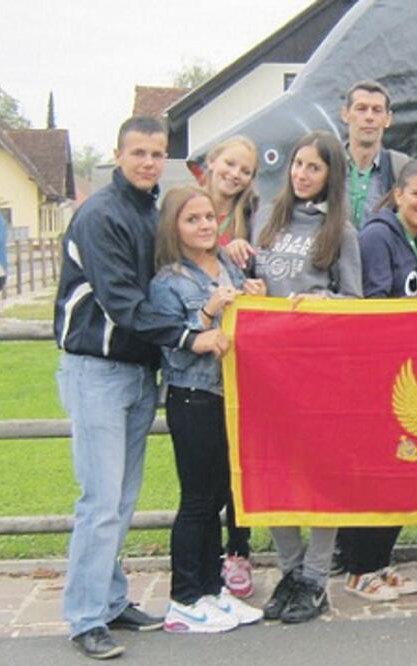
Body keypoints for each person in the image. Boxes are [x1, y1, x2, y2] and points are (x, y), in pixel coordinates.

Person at [53, 116, 227, 659]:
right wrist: (188, 336)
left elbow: (181, 263)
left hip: (136, 370)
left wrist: (234, 255)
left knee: (122, 499)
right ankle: (85, 618)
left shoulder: (150, 212)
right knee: (100, 500)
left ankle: (109, 600)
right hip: (96, 370)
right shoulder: (100, 215)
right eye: (138, 153)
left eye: (156, 153)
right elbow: (122, 302)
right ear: (118, 155)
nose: (148, 162)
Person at [245, 129, 361, 624]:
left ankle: (315, 577)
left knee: (318, 475)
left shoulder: (342, 233)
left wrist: (324, 301)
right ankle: (289, 571)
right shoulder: (265, 220)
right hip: (266, 369)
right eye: (297, 164)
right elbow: (253, 280)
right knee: (272, 471)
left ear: (331, 175)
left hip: (317, 369)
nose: (302, 174)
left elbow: (356, 302)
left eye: (314, 167)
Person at [148, 186, 266, 632]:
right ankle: (183, 598)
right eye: (191, 219)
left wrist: (254, 296)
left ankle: (212, 591)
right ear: (174, 227)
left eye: (208, 217)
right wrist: (206, 312)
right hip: (192, 398)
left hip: (229, 397)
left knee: (220, 495)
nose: (203, 226)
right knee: (197, 500)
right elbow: (174, 353)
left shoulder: (229, 267)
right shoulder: (169, 282)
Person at [338, 159, 417, 603]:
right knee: (378, 474)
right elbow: (374, 308)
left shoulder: (415, 240)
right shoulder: (378, 236)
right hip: (377, 378)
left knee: (401, 471)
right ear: (398, 194)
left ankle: (381, 563)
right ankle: (360, 569)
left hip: (407, 376)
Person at [201, 135, 259, 597]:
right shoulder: (184, 211)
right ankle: (204, 556)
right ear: (211, 163)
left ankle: (239, 551)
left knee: (241, 456)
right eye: (229, 164)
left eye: (245, 169)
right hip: (197, 351)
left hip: (241, 354)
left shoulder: (253, 219)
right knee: (206, 466)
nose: (235, 174)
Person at [341, 79, 411, 229]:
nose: (369, 117)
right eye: (361, 109)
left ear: (388, 119)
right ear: (345, 114)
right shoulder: (328, 165)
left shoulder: (400, 169)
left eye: (377, 110)